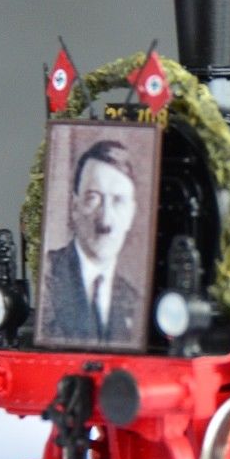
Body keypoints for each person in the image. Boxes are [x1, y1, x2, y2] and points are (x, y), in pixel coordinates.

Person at [39, 139, 144, 347]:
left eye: (118, 201)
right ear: (74, 206)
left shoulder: (134, 302)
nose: (105, 220)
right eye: (93, 198)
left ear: (131, 214)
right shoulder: (47, 277)